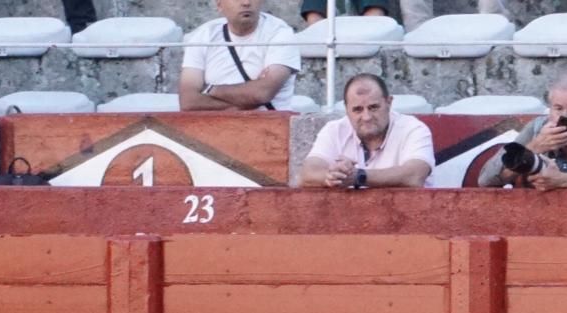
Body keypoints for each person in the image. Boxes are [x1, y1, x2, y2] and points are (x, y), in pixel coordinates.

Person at [297, 74, 434, 190]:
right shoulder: (334, 130)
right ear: (346, 109)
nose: (366, 117)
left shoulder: (413, 129)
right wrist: (332, 176)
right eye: (357, 109)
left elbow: (414, 175)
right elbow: (307, 173)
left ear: (389, 103)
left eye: (373, 107)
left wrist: (359, 176)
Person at [178, 0, 301, 113]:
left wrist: (210, 89)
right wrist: (243, 104)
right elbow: (188, 102)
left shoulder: (279, 33)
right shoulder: (204, 35)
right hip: (215, 128)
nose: (246, 3)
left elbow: (262, 93)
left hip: (270, 126)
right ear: (219, 4)